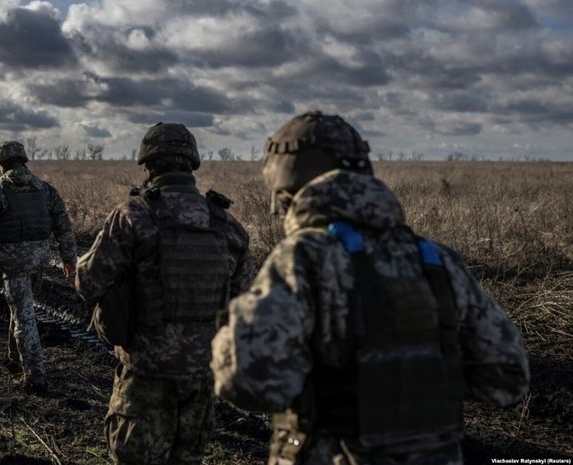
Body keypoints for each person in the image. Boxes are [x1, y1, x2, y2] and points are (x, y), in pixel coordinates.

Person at [210, 111, 530, 465]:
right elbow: (507, 377)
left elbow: (246, 378)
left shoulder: (305, 257)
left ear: (286, 186)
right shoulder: (436, 260)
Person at [76, 122, 254, 465]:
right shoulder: (227, 226)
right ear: (191, 163)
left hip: (146, 375)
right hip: (202, 376)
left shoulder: (133, 216)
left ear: (148, 165)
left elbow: (89, 284)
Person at [0, 141, 77, 393]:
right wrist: (68, 259)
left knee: (24, 317)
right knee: (21, 307)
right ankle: (13, 359)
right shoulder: (45, 190)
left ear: (1, 165)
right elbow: (64, 227)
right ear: (24, 162)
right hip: (40, 260)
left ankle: (35, 376)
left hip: (12, 262)